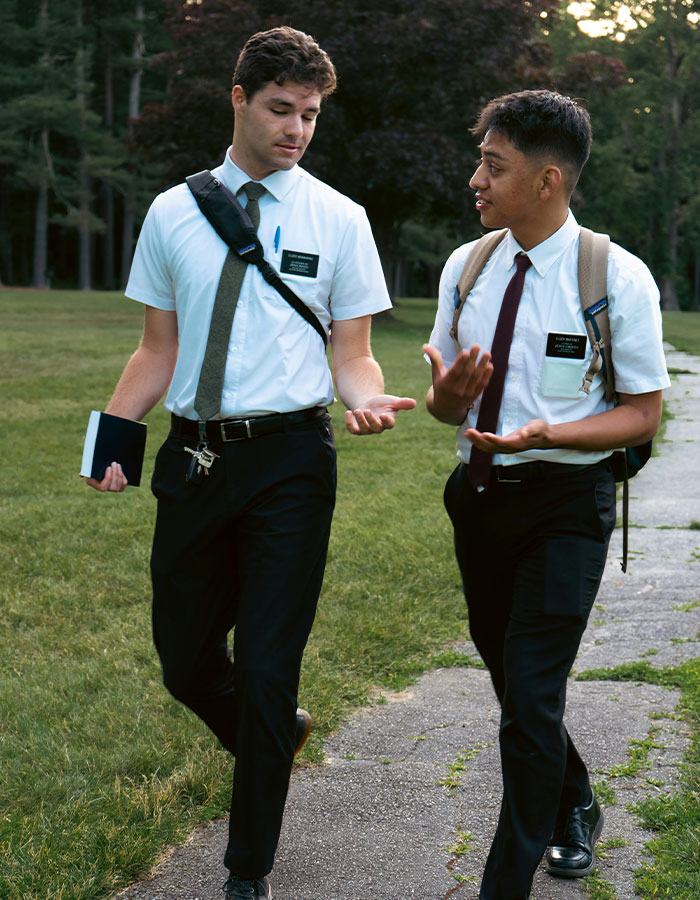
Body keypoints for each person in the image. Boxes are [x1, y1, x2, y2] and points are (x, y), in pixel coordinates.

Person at [86, 26, 414, 900]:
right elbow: (157, 347)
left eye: (310, 114)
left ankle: (247, 870)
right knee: (184, 659)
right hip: (194, 459)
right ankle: (274, 736)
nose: (297, 128)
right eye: (280, 109)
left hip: (291, 462)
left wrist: (364, 395)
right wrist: (113, 436)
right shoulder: (172, 212)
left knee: (269, 667)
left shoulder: (339, 219)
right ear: (238, 99)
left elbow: (353, 351)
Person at [423, 90, 669, 900]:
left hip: (567, 508)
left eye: (493, 166)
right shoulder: (468, 266)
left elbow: (641, 416)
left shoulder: (614, 275)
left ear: (548, 179)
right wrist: (448, 399)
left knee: (530, 697)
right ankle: (575, 800)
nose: (476, 180)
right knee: (513, 682)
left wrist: (546, 434)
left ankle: (505, 884)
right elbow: (445, 406)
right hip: (479, 499)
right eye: (480, 161)